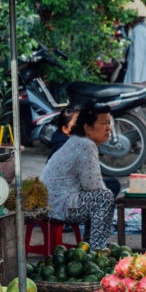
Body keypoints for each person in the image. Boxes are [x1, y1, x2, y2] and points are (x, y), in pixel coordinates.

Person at [40, 105, 119, 251]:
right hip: (58, 205)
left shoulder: (78, 140)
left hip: (55, 201)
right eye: (103, 123)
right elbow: (92, 185)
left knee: (101, 196)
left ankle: (89, 247)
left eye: (109, 123)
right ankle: (98, 251)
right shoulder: (85, 144)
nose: (109, 128)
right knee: (105, 198)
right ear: (87, 128)